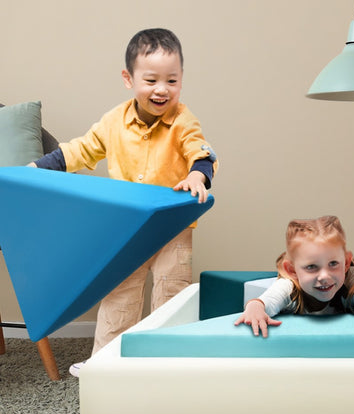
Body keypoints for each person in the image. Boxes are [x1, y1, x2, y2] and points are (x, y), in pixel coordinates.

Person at [30, 28, 218, 375]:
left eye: (172, 81)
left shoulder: (183, 121)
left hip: (173, 228)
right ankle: (104, 362)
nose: (162, 89)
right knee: (119, 294)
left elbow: (202, 153)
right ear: (128, 78)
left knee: (171, 296)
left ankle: (167, 364)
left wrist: (197, 176)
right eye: (151, 80)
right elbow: (81, 149)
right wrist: (39, 167)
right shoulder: (113, 122)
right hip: (129, 229)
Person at [235, 216, 354, 338]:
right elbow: (268, 300)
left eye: (333, 264)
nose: (325, 276)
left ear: (347, 262)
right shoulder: (290, 285)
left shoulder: (349, 276)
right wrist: (256, 308)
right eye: (312, 267)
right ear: (292, 270)